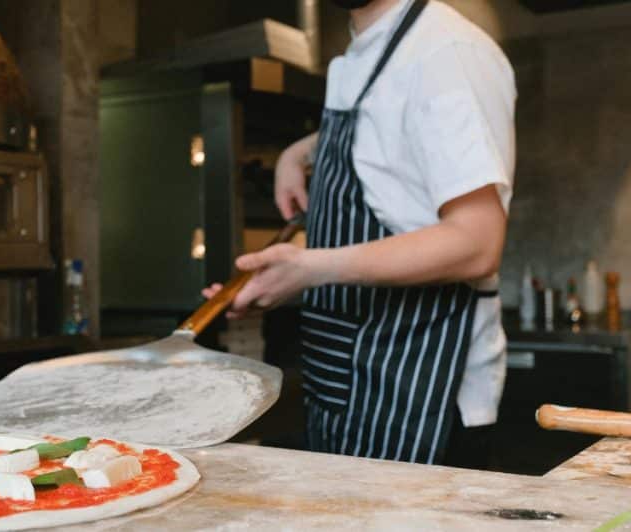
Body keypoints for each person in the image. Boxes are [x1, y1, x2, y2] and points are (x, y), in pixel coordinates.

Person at [203, 0, 515, 467]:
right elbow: (392, 125)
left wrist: (309, 268)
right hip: (345, 386)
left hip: (420, 392)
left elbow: (476, 243)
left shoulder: (446, 52)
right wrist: (301, 153)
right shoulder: (366, 55)